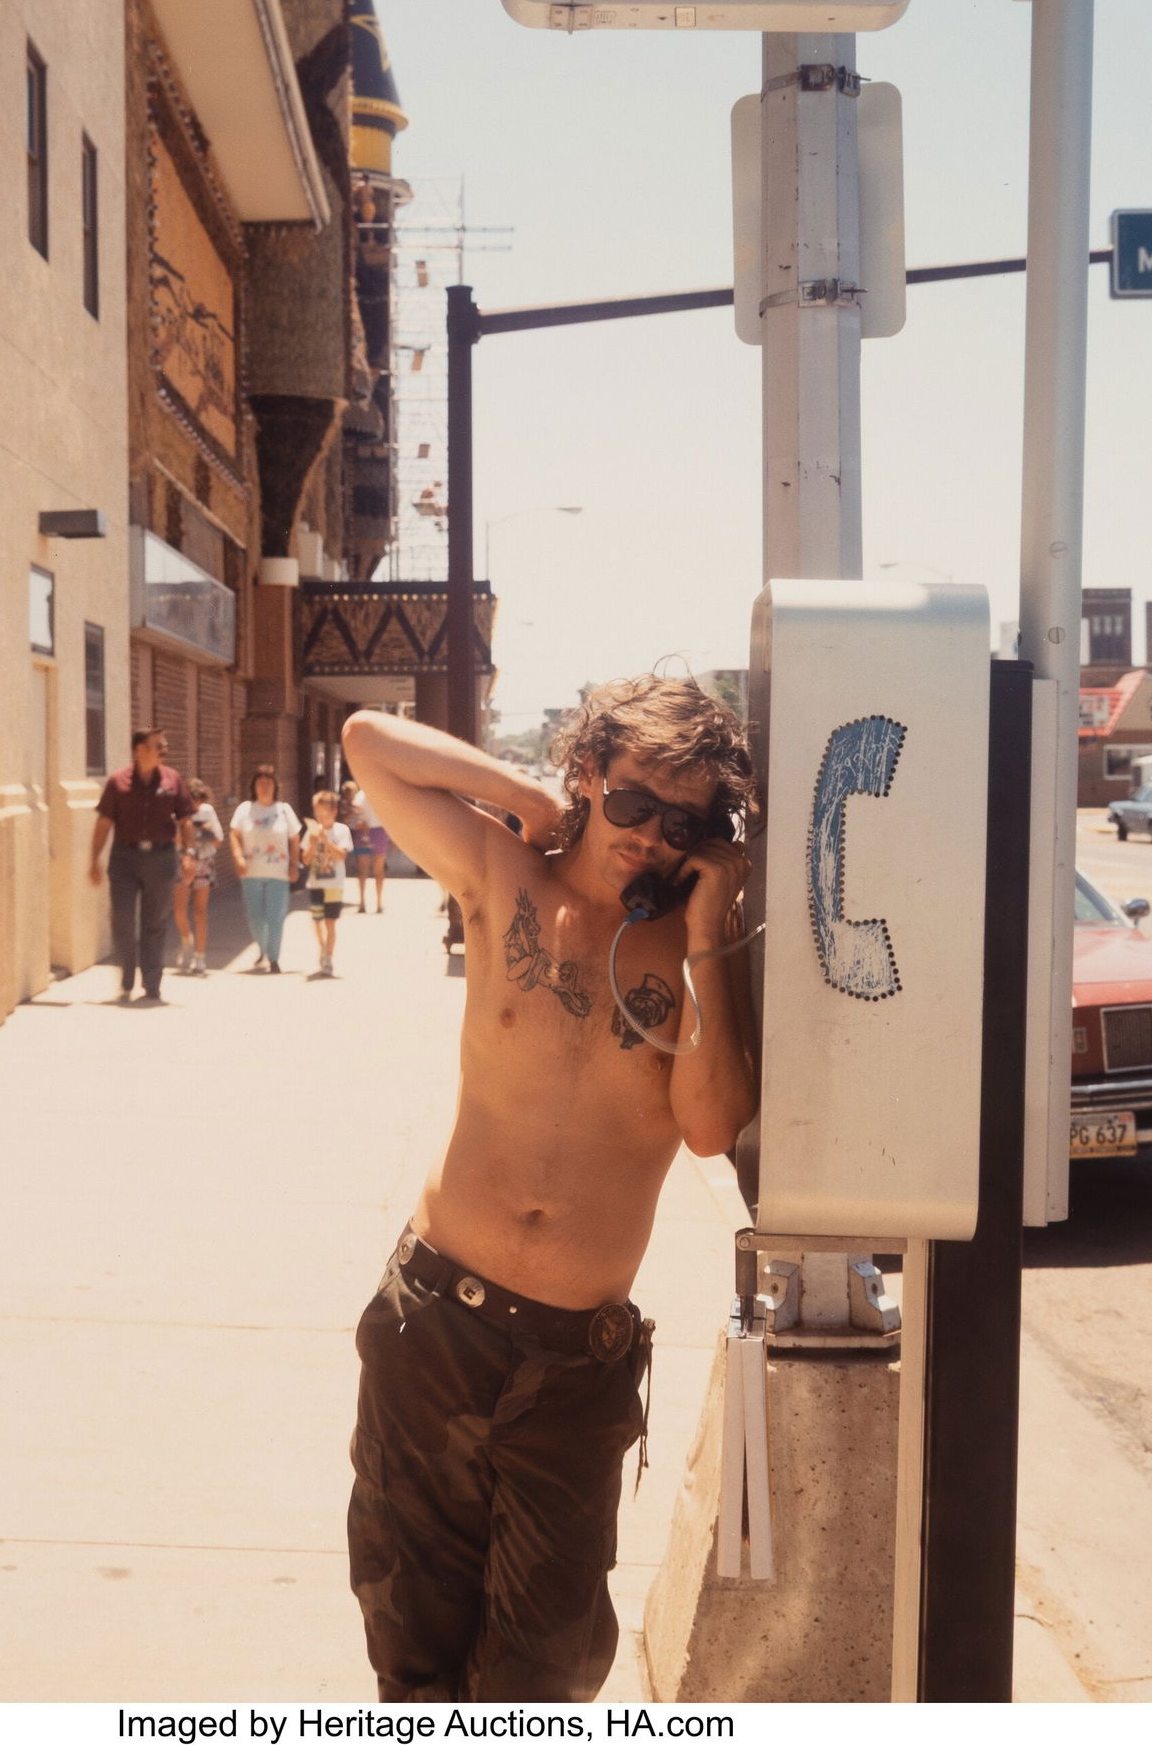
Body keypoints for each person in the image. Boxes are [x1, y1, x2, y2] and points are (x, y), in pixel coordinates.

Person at [340, 675, 757, 1702]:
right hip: (434, 1323)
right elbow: (367, 740)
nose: (649, 837)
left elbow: (710, 1128)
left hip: (574, 1363)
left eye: (681, 822)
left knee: (544, 1668)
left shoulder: (694, 951)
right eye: (632, 801)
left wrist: (707, 934)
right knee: (412, 1642)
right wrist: (526, 800)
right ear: (587, 774)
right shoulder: (501, 875)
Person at [89, 730, 196, 1004]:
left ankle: (152, 983)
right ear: (140, 750)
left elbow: (185, 820)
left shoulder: (172, 779)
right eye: (158, 746)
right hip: (124, 858)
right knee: (122, 919)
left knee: (154, 922)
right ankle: (127, 973)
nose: (164, 750)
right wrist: (94, 859)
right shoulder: (117, 781)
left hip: (161, 858)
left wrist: (189, 853)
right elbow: (104, 823)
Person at [228, 765, 302, 973]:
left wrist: (293, 865)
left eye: (268, 783)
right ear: (254, 786)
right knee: (255, 917)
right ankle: (263, 947)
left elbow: (294, 839)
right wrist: (238, 857)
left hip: (279, 873)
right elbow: (234, 834)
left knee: (275, 917)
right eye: (260, 783)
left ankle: (274, 958)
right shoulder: (245, 809)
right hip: (251, 872)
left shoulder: (283, 810)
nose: (264, 787)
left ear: (275, 786)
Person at [173, 777, 223, 975]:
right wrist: (193, 832)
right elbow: (173, 837)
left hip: (204, 862)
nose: (195, 804)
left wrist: (197, 832)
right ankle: (186, 938)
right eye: (191, 799)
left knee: (200, 911)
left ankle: (200, 956)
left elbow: (218, 839)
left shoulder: (207, 811)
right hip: (182, 862)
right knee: (179, 910)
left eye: (198, 799)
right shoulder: (176, 812)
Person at [302, 789, 354, 978]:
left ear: (333, 812)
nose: (320, 818)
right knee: (317, 921)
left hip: (334, 884)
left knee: (330, 922)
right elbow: (305, 860)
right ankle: (323, 947)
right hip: (316, 884)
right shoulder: (311, 831)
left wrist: (326, 841)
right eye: (317, 814)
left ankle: (329, 959)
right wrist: (313, 844)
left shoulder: (342, 830)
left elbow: (341, 856)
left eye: (324, 813)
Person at [340, 777, 375, 910]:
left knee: (363, 824)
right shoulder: (346, 803)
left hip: (355, 829)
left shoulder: (350, 802)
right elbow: (347, 815)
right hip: (353, 827)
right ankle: (365, 838)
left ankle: (365, 838)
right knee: (363, 824)